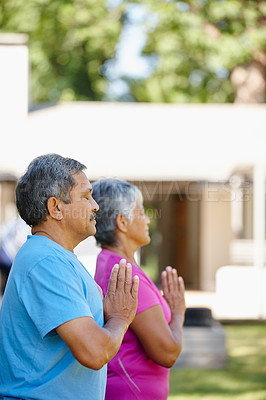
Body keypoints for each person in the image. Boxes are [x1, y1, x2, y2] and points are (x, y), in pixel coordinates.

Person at [0, 154, 139, 400]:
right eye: (86, 196)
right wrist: (119, 319)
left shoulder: (56, 257)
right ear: (56, 208)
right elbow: (94, 352)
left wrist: (103, 314)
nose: (95, 205)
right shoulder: (46, 262)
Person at [92, 179, 186, 400]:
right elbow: (167, 352)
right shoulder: (126, 275)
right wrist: (179, 311)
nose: (147, 220)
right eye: (141, 212)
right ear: (122, 222)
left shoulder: (111, 263)